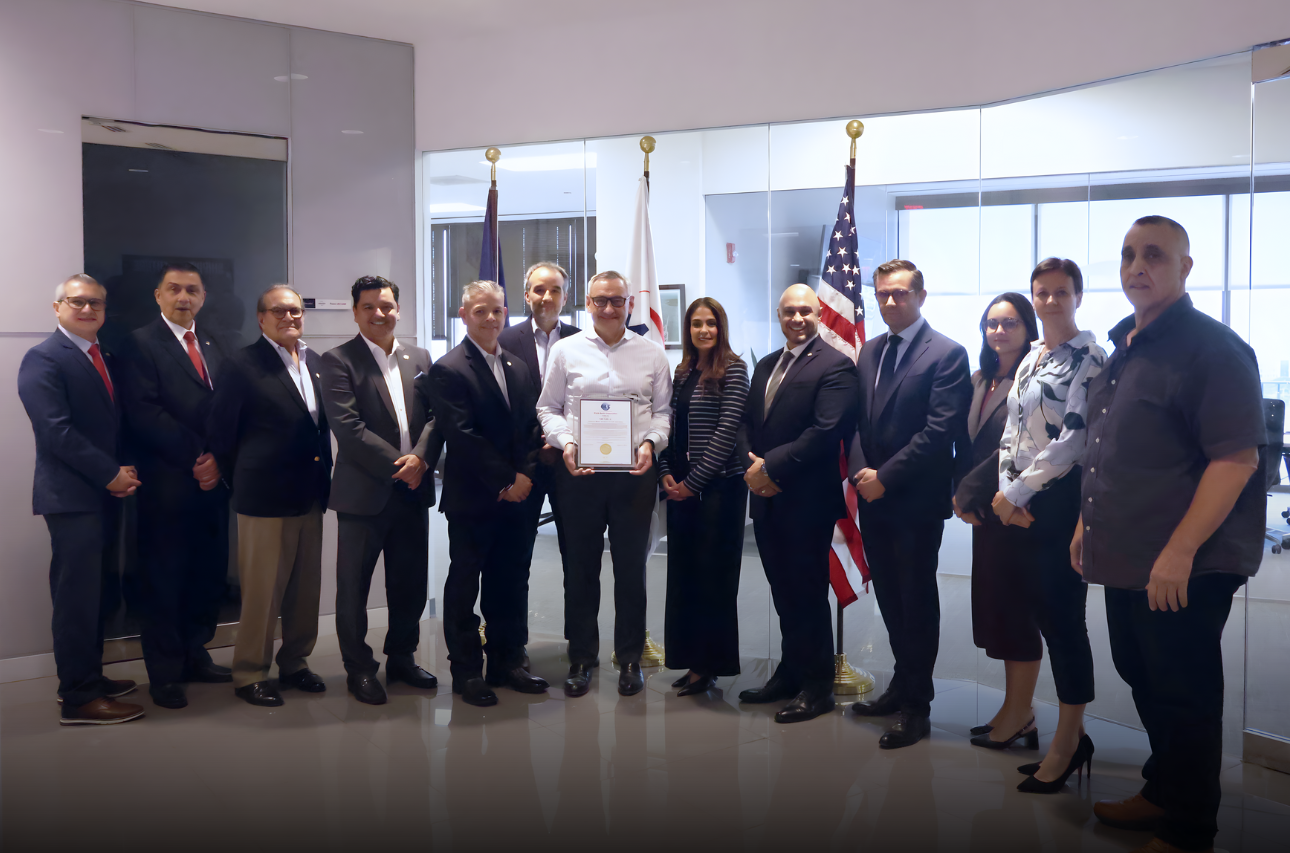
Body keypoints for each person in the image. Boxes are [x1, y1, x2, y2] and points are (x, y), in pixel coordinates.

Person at [1078, 216, 1265, 853]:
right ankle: (1163, 790)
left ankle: (1189, 829)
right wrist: (1085, 522)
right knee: (1141, 672)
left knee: (1183, 691)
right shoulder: (1129, 344)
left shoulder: (1211, 348)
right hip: (1127, 553)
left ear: (1186, 268)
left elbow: (1235, 460)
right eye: (1128, 254)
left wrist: (1180, 551)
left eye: (1154, 255)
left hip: (1186, 561)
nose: (1137, 265)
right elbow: (1107, 447)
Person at [983, 260, 1105, 793]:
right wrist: (1005, 490)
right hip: (1020, 505)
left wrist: (1014, 493)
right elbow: (1012, 430)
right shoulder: (1033, 356)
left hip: (1058, 507)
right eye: (1042, 292)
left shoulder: (1092, 358)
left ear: (1078, 295)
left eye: (1061, 292)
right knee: (1038, 616)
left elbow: (1075, 439)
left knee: (1063, 625)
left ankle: (1071, 738)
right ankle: (1059, 735)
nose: (1051, 301)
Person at [849, 259, 971, 748]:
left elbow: (940, 431)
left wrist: (886, 477)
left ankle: (917, 707)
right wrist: (863, 475)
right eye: (881, 294)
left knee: (916, 601)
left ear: (920, 296)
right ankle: (901, 686)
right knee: (891, 599)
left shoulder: (947, 353)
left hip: (914, 500)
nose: (889, 302)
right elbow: (858, 421)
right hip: (873, 496)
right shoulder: (869, 351)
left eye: (899, 293)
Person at [536, 270, 672, 698]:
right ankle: (581, 658)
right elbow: (547, 408)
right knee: (580, 571)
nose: (609, 309)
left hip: (634, 477)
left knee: (632, 570)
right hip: (579, 476)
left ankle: (630, 659)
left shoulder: (652, 354)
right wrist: (567, 442)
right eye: (600, 301)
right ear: (588, 303)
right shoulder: (566, 351)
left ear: (630, 303)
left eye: (617, 301)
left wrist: (652, 442)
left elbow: (665, 413)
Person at [18, 274, 145, 725]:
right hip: (72, 498)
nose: (88, 309)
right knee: (76, 598)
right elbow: (56, 431)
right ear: (58, 308)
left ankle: (88, 677)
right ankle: (78, 697)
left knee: (98, 594)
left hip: (105, 495)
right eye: (77, 302)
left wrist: (121, 472)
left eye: (96, 303)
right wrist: (109, 473)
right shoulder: (44, 358)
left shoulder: (102, 357)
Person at [423, 280, 549, 706]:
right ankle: (466, 672)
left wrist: (525, 476)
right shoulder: (449, 368)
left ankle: (508, 662)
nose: (491, 319)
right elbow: (462, 436)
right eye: (481, 311)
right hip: (475, 498)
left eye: (497, 311)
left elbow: (533, 427)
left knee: (511, 581)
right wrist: (506, 481)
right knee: (465, 584)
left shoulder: (517, 365)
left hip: (519, 496)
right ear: (464, 315)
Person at [738, 284, 859, 724]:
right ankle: (789, 674)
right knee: (783, 593)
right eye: (789, 311)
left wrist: (769, 468)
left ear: (819, 314)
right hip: (767, 501)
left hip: (806, 500)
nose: (797, 318)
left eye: (805, 311)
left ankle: (817, 686)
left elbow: (826, 431)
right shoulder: (768, 364)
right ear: (778, 314)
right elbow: (748, 424)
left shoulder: (836, 365)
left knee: (807, 595)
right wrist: (753, 466)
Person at [207, 284, 332, 707]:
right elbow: (222, 433)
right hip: (264, 497)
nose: (289, 318)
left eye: (295, 311)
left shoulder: (314, 362)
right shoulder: (241, 365)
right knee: (263, 594)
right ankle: (250, 673)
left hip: (311, 495)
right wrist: (238, 480)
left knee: (304, 590)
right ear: (261, 319)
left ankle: (295, 663)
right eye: (278, 312)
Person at [118, 262, 236, 710]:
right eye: (174, 290)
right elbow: (145, 412)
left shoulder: (217, 342)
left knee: (207, 573)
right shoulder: (139, 344)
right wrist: (198, 457)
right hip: (167, 482)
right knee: (164, 578)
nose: (183, 297)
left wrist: (220, 459)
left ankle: (194, 652)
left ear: (203, 298)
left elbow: (230, 406)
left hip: (213, 484)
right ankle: (165, 672)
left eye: (192, 290)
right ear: (158, 295)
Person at [320, 276, 441, 706]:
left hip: (413, 492)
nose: (379, 313)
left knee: (409, 583)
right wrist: (403, 466)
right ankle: (359, 668)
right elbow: (349, 430)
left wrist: (422, 459)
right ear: (355, 312)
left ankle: (402, 659)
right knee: (353, 586)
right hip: (364, 493)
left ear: (398, 309)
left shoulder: (420, 356)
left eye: (387, 305)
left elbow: (434, 418)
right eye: (369, 306)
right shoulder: (337, 361)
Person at [953, 294, 1038, 739]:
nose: (1000, 331)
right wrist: (962, 493)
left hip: (1018, 507)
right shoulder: (980, 378)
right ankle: (1014, 708)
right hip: (986, 513)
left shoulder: (1035, 376)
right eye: (992, 323)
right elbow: (965, 445)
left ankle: (1021, 713)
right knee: (997, 610)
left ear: (1028, 328)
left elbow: (1015, 445)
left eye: (1011, 323)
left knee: (1017, 611)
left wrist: (968, 491)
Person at [658, 297, 750, 697]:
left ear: (721, 327)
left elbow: (727, 432)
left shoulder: (735, 369)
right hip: (679, 490)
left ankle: (710, 665)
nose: (703, 331)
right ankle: (690, 660)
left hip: (719, 491)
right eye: (696, 324)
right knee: (684, 578)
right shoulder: (681, 371)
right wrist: (665, 474)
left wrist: (692, 482)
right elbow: (664, 424)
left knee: (714, 580)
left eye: (710, 323)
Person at [497, 262, 581, 574]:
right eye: (539, 289)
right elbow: (500, 407)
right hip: (521, 466)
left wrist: (560, 440)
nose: (547, 296)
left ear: (566, 296)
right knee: (514, 561)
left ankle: (579, 626)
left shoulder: (584, 342)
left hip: (569, 464)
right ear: (526, 295)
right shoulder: (503, 342)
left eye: (555, 290)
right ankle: (509, 626)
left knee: (577, 560)